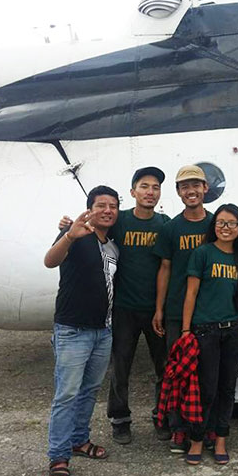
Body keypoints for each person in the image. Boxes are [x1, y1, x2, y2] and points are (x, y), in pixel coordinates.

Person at [60, 167, 171, 445]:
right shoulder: (118, 220)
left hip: (156, 309)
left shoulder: (164, 224)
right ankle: (119, 419)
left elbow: (166, 267)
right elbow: (92, 222)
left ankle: (163, 416)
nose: (150, 192)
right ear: (133, 192)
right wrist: (66, 226)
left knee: (164, 366)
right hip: (122, 308)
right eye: (144, 186)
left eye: (155, 187)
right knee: (120, 367)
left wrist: (161, 308)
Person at [44, 186, 120, 476]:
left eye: (113, 206)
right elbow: (50, 261)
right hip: (72, 330)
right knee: (66, 395)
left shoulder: (112, 246)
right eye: (101, 205)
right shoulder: (76, 235)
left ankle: (78, 440)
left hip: (103, 330)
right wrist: (69, 235)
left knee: (89, 392)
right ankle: (58, 456)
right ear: (89, 209)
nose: (108, 210)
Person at [181, 204, 238, 465]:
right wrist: (186, 330)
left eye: (232, 224)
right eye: (221, 223)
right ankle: (198, 439)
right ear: (214, 227)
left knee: (227, 388)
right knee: (206, 388)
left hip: (234, 330)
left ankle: (221, 438)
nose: (226, 228)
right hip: (205, 331)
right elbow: (191, 293)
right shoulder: (202, 253)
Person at [152, 165, 213, 453]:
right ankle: (177, 428)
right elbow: (164, 269)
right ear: (178, 192)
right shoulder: (171, 228)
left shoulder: (216, 225)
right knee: (177, 371)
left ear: (205, 189)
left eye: (196, 185)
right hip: (177, 310)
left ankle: (203, 427)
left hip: (209, 311)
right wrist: (159, 309)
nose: (191, 191)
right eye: (185, 187)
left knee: (205, 372)